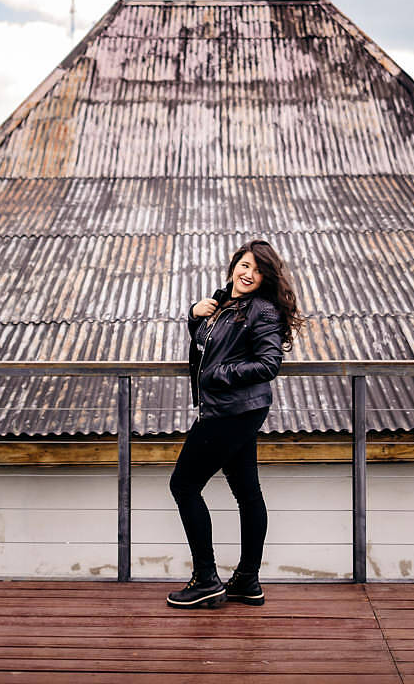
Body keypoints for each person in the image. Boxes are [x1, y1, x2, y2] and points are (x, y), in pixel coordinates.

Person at [166, 239, 305, 608]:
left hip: (232, 411)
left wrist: (219, 375)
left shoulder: (263, 311)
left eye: (257, 270)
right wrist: (194, 315)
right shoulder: (225, 303)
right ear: (233, 266)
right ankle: (246, 581)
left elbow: (268, 364)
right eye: (245, 265)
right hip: (231, 409)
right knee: (247, 492)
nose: (249, 274)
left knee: (183, 485)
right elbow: (208, 345)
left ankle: (206, 580)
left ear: (266, 278)